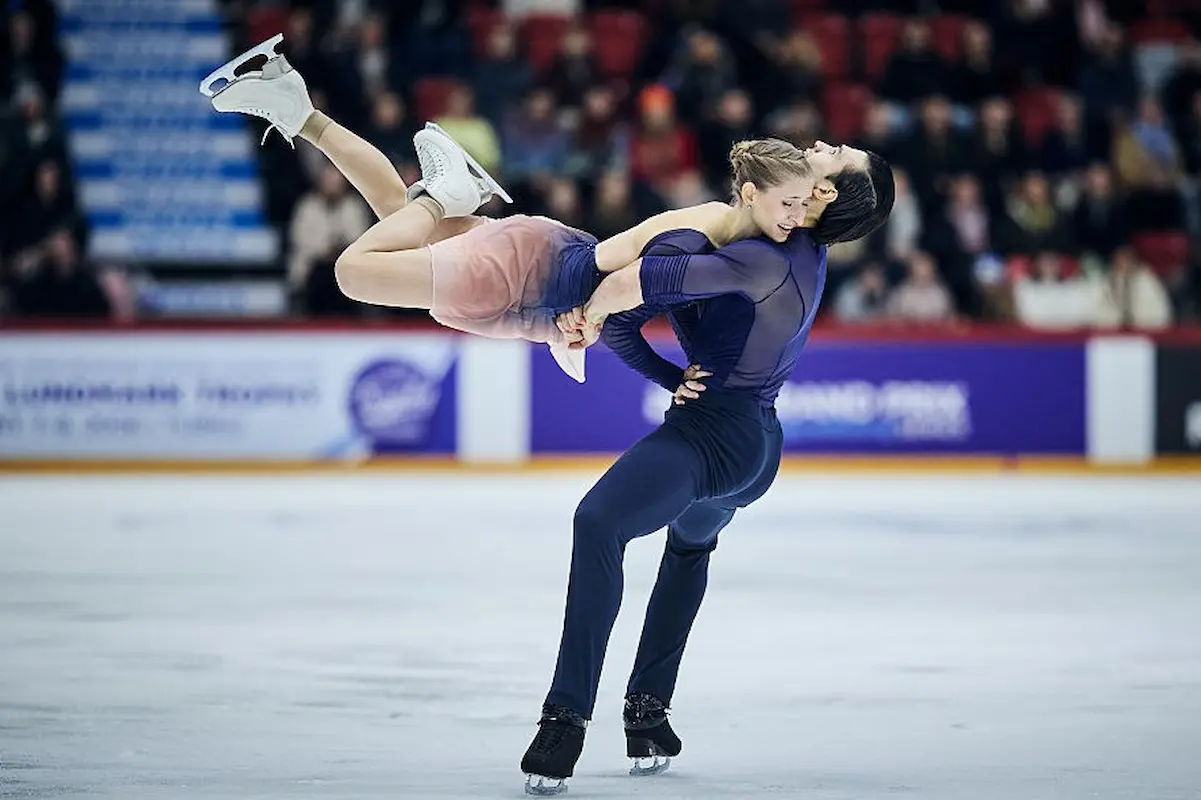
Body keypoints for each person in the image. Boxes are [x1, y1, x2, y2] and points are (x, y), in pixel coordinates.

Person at [518, 144, 895, 794]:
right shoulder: (794, 249)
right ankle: (647, 716)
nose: (819, 146)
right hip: (758, 446)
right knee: (687, 550)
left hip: (713, 439)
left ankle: (564, 722)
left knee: (598, 523)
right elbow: (630, 319)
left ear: (820, 195)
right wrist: (670, 373)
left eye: (834, 155)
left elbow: (623, 298)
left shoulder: (755, 258)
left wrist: (584, 310)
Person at [201, 37, 823, 381]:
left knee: (394, 206)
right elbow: (611, 257)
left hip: (537, 274)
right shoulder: (707, 222)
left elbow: (626, 297)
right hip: (530, 275)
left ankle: (294, 105)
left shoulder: (742, 241)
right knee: (352, 272)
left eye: (802, 205)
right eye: (787, 202)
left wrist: (601, 319)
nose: (795, 215)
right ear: (749, 194)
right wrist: (597, 312)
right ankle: (448, 188)